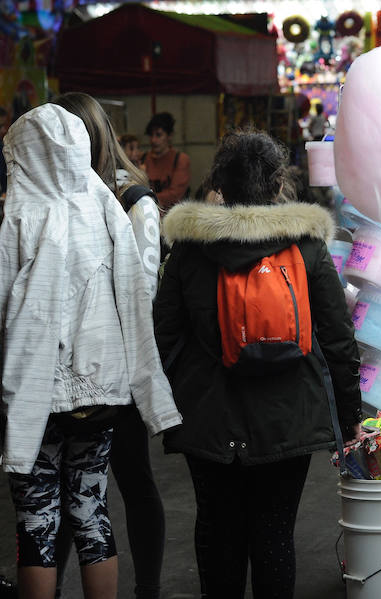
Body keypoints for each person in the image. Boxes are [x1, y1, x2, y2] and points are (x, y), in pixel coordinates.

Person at [153, 129, 362, 599]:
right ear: (277, 184)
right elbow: (337, 338)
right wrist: (348, 418)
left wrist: (171, 404)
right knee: (273, 533)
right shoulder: (306, 245)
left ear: (219, 186)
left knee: (216, 530)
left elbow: (164, 333)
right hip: (288, 417)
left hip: (207, 419)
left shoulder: (190, 248)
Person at [0, 103, 181, 599]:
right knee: (90, 507)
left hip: (37, 389)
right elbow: (133, 294)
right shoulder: (103, 204)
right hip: (102, 390)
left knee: (38, 519)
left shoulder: (17, 213)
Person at [51, 91, 166, 599]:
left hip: (117, 370)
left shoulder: (132, 199)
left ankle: (147, 588)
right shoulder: (50, 193)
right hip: (58, 371)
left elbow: (143, 295)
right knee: (55, 494)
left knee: (130, 481)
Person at [142, 112, 191, 211]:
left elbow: (175, 195)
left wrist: (145, 197)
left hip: (172, 216)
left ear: (170, 136)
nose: (153, 140)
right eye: (151, 135)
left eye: (158, 135)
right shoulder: (142, 158)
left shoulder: (180, 159)